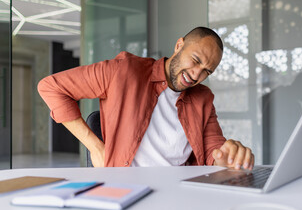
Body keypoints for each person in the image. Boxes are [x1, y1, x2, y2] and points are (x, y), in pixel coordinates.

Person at [38, 27, 254, 170]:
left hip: (179, 192)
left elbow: (212, 152)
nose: (197, 75)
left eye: (207, 71)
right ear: (179, 45)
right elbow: (51, 87)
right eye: (195, 60)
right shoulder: (124, 71)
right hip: (127, 188)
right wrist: (95, 147)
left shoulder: (203, 98)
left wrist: (226, 157)